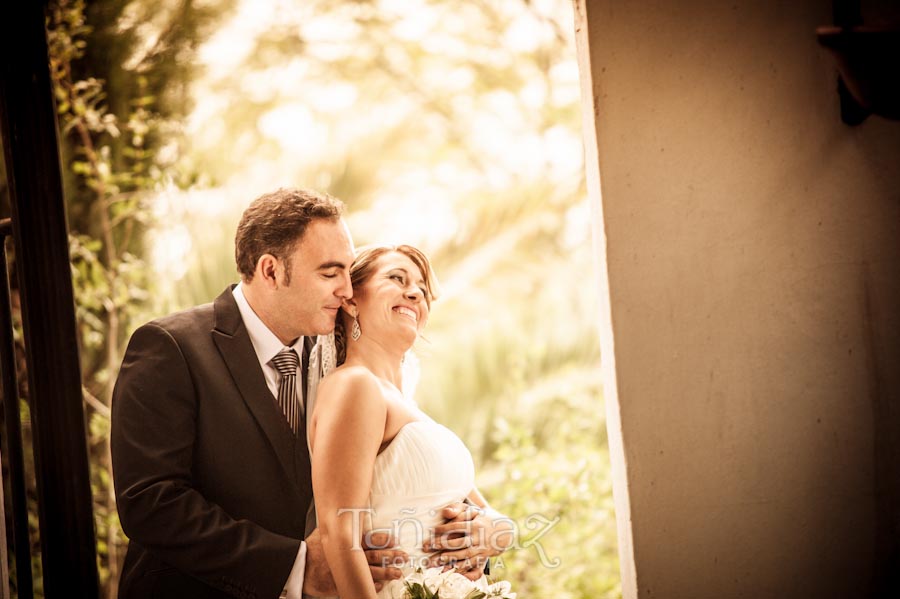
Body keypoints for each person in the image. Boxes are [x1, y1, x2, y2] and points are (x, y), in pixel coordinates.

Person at [111, 188, 403, 599]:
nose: (347, 290)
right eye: (329, 272)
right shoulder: (169, 348)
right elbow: (152, 504)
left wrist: (468, 526)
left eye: (349, 271)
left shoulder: (345, 359)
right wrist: (296, 566)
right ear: (270, 271)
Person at [308, 245, 515, 599]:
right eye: (396, 278)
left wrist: (497, 531)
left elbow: (484, 512)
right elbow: (339, 533)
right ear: (352, 302)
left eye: (421, 287)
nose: (415, 292)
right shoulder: (356, 386)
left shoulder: (410, 407)